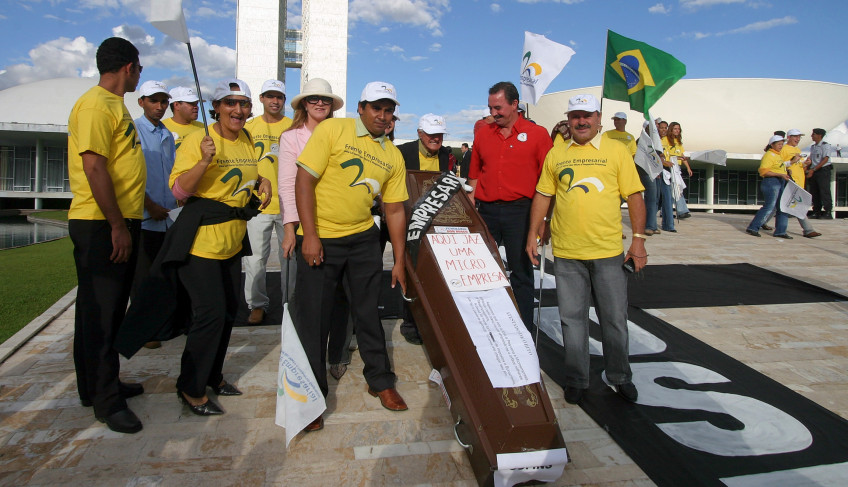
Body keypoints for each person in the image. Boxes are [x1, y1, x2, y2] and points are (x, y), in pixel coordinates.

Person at [293, 81, 410, 432]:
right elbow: (303, 181)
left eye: (389, 109)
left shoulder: (393, 154)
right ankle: (311, 395)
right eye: (377, 107)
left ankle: (381, 381)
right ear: (361, 107)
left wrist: (399, 259)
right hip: (322, 239)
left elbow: (394, 211)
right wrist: (310, 235)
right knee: (314, 320)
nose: (383, 115)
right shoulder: (334, 129)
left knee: (367, 313)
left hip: (362, 239)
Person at [525, 94, 646, 405]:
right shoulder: (557, 153)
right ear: (568, 119)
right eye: (575, 115)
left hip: (607, 252)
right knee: (572, 319)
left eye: (587, 115)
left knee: (614, 319)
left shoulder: (617, 150)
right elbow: (543, 195)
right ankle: (578, 379)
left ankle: (620, 376)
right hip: (567, 254)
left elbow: (634, 196)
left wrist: (639, 240)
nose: (580, 121)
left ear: (598, 118)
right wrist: (532, 234)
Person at [169, 79, 272, 415]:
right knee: (209, 315)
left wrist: (262, 180)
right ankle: (190, 387)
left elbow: (246, 174)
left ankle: (213, 375)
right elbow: (179, 192)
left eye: (243, 104)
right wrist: (202, 161)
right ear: (215, 107)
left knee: (228, 313)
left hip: (232, 241)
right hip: (200, 244)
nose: (238, 110)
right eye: (230, 103)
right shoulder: (199, 141)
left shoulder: (245, 137)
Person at [67, 37, 146, 434]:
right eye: (140, 69)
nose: (139, 75)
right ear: (129, 67)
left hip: (112, 220)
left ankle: (96, 386)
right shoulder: (97, 105)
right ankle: (106, 402)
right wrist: (117, 225)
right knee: (103, 312)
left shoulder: (114, 105)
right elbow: (94, 168)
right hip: (101, 224)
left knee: (97, 311)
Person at [278, 78, 353, 382]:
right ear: (304, 105)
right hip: (309, 226)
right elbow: (286, 183)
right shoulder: (291, 138)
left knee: (342, 296)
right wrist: (290, 228)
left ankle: (337, 353)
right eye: (313, 99)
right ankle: (306, 359)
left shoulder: (341, 134)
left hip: (340, 224)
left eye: (325, 99)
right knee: (309, 298)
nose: (320, 104)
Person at [467, 81, 552, 331]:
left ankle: (524, 328)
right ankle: (487, 325)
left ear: (515, 105)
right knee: (484, 271)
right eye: (491, 108)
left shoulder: (538, 135)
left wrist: (543, 223)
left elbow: (548, 183)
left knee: (521, 272)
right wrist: (472, 212)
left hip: (521, 212)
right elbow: (474, 177)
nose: (493, 113)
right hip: (488, 212)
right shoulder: (483, 134)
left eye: (498, 108)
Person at [396, 113, 453, 345]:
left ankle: (431, 318)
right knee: (410, 270)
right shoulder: (404, 152)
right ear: (420, 133)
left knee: (431, 270)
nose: (435, 138)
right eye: (431, 134)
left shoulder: (446, 155)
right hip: (407, 219)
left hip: (435, 221)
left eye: (439, 134)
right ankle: (410, 322)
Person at [132, 80, 178, 350]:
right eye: (153, 101)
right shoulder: (135, 130)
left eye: (163, 101)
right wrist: (149, 204)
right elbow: (131, 176)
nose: (159, 106)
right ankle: (143, 329)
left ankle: (162, 324)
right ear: (142, 102)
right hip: (146, 215)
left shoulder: (166, 134)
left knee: (164, 275)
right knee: (143, 277)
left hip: (168, 214)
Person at [243, 80, 293, 324]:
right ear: (261, 98)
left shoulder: (293, 126)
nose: (275, 101)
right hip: (258, 205)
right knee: (255, 259)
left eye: (280, 97)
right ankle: (257, 304)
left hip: (288, 204)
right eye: (270, 96)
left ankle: (289, 304)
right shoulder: (248, 127)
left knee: (290, 258)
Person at [762, 129, 821, 237]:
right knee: (798, 205)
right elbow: (779, 165)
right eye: (795, 136)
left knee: (779, 205)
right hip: (789, 181)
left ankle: (762, 222)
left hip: (798, 181)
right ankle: (808, 230)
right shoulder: (783, 149)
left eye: (799, 137)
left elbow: (798, 166)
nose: (797, 139)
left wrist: (805, 164)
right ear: (789, 137)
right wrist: (792, 162)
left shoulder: (797, 149)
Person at [746, 135, 793, 238]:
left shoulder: (778, 155)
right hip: (771, 182)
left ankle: (780, 231)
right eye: (779, 144)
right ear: (772, 145)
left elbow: (779, 167)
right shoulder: (769, 155)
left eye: (782, 144)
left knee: (782, 207)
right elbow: (764, 171)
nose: (781, 146)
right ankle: (753, 227)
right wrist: (780, 174)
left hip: (780, 181)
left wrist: (785, 171)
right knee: (770, 206)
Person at [162, 86, 204, 150]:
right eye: (191, 103)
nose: (196, 107)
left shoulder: (203, 128)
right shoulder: (161, 128)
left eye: (196, 104)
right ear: (176, 105)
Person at [665, 121, 692, 219]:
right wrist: (677, 158)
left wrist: (688, 167)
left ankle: (667, 211)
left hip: (677, 168)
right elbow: (667, 156)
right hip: (669, 167)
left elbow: (681, 155)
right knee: (676, 189)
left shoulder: (678, 142)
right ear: (671, 129)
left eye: (678, 129)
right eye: (675, 129)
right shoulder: (666, 140)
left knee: (676, 189)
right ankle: (681, 211)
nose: (677, 131)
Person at [806, 128, 834, 219]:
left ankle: (828, 212)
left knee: (824, 191)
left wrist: (813, 169)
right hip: (814, 170)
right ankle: (816, 211)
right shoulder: (813, 147)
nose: (812, 136)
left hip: (823, 170)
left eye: (813, 134)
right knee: (814, 191)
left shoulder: (825, 146)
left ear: (819, 135)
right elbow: (812, 159)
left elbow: (825, 159)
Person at [656, 120, 676, 233]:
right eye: (662, 128)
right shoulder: (655, 140)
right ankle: (668, 224)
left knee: (667, 197)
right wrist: (663, 163)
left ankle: (668, 224)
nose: (664, 130)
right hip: (658, 170)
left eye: (665, 128)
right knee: (659, 198)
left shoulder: (669, 140)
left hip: (668, 171)